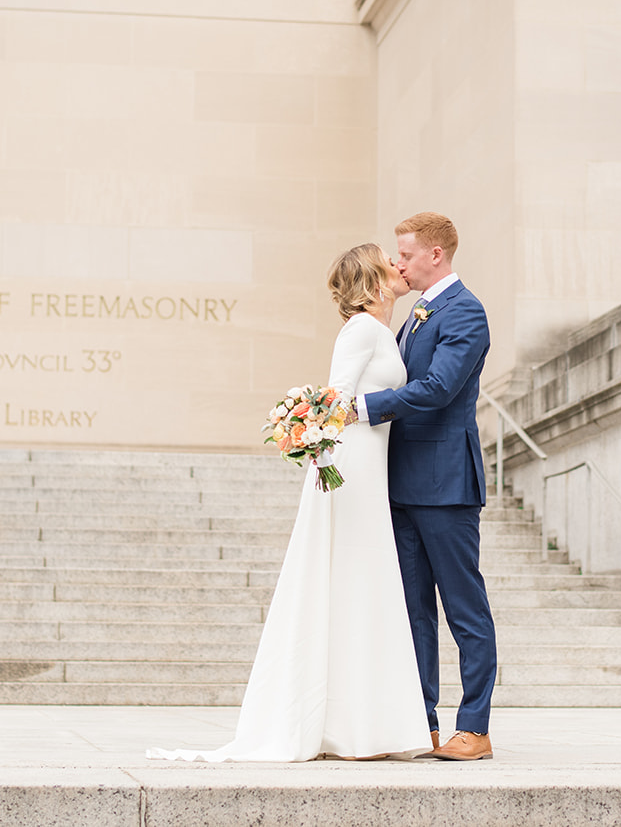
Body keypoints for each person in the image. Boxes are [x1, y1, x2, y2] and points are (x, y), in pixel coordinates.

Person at [146, 244, 432, 762]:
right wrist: (316, 445)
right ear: (372, 277)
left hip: (372, 463)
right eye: (387, 258)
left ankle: (362, 722)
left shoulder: (382, 331)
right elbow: (337, 397)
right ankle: (351, 725)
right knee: (352, 576)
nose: (397, 263)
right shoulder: (364, 330)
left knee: (362, 581)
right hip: (354, 465)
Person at [352, 212, 497, 762]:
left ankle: (476, 729)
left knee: (464, 609)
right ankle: (421, 722)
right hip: (402, 482)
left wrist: (361, 409)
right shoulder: (412, 314)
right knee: (413, 612)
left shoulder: (467, 311)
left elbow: (437, 388)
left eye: (406, 254)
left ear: (436, 255)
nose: (398, 263)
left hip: (447, 484)